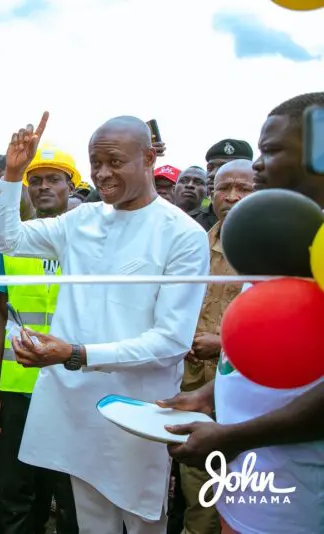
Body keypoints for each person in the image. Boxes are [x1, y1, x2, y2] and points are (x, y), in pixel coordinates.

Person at [0, 112, 209, 534]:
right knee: (92, 522)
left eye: (114, 162)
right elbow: (8, 240)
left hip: (137, 409)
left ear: (148, 159)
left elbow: (170, 341)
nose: (102, 174)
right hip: (75, 405)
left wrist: (74, 353)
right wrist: (13, 175)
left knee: (144, 520)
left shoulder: (182, 233)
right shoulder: (83, 220)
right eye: (96, 163)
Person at [162, 92, 324, 534]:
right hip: (250, 483)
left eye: (270, 151)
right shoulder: (285, 237)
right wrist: (210, 396)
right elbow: (260, 348)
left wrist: (234, 437)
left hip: (297, 500)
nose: (255, 165)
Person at [0, 145, 80, 534]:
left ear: (71, 186)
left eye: (54, 180)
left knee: (71, 492)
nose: (43, 188)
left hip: (72, 381)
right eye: (34, 180)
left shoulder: (88, 241)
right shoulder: (13, 243)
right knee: (18, 490)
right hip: (18, 382)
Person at [173, 159, 256, 534]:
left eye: (244, 188)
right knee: (200, 495)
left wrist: (223, 344)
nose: (233, 197)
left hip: (252, 399)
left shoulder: (275, 250)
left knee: (251, 496)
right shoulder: (196, 244)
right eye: (224, 188)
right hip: (195, 390)